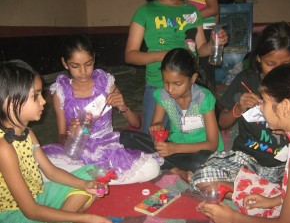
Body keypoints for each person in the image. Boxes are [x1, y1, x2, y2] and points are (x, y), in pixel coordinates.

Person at [193, 21, 290, 194]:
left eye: (285, 64)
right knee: (201, 178)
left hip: (286, 165)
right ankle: (267, 194)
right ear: (258, 58)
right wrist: (239, 107)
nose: (277, 71)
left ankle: (255, 193)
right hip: (247, 159)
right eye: (270, 64)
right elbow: (223, 122)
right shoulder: (246, 80)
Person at [0, 60, 111, 223]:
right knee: (74, 209)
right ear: (9, 103)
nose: (43, 101)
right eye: (35, 96)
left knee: (90, 174)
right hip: (15, 214)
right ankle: (69, 216)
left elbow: (50, 172)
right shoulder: (4, 147)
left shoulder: (28, 133)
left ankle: (63, 217)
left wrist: (85, 184)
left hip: (38, 196)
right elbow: (30, 211)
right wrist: (86, 218)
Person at [42, 34, 160, 185]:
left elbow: (136, 124)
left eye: (88, 64)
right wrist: (72, 136)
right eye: (75, 66)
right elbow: (61, 137)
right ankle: (98, 177)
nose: (83, 72)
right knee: (41, 165)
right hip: (78, 150)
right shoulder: (61, 91)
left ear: (94, 59)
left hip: (107, 147)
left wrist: (123, 107)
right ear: (65, 63)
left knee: (152, 167)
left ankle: (83, 179)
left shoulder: (105, 83)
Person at [199, 63, 290, 223]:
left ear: (285, 107)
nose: (261, 108)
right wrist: (272, 200)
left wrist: (233, 218)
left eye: (264, 102)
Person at [125, 0, 228, 134]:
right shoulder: (145, 11)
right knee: (152, 140)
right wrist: (163, 56)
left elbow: (200, 50)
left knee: (191, 135)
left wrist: (214, 43)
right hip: (158, 84)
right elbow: (130, 55)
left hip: (189, 86)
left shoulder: (192, 11)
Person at [121, 48, 224, 182]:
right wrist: (156, 128)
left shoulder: (204, 98)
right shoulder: (163, 96)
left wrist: (175, 148)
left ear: (193, 78)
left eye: (177, 83)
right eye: (166, 82)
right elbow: (155, 126)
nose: (170, 89)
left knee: (200, 163)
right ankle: (177, 170)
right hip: (174, 149)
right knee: (126, 137)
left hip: (200, 151)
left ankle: (168, 165)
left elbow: (212, 144)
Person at [187, 0, 219, 87]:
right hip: (191, 28)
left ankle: (209, 94)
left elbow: (214, 9)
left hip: (205, 29)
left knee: (205, 69)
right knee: (192, 64)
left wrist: (187, 19)